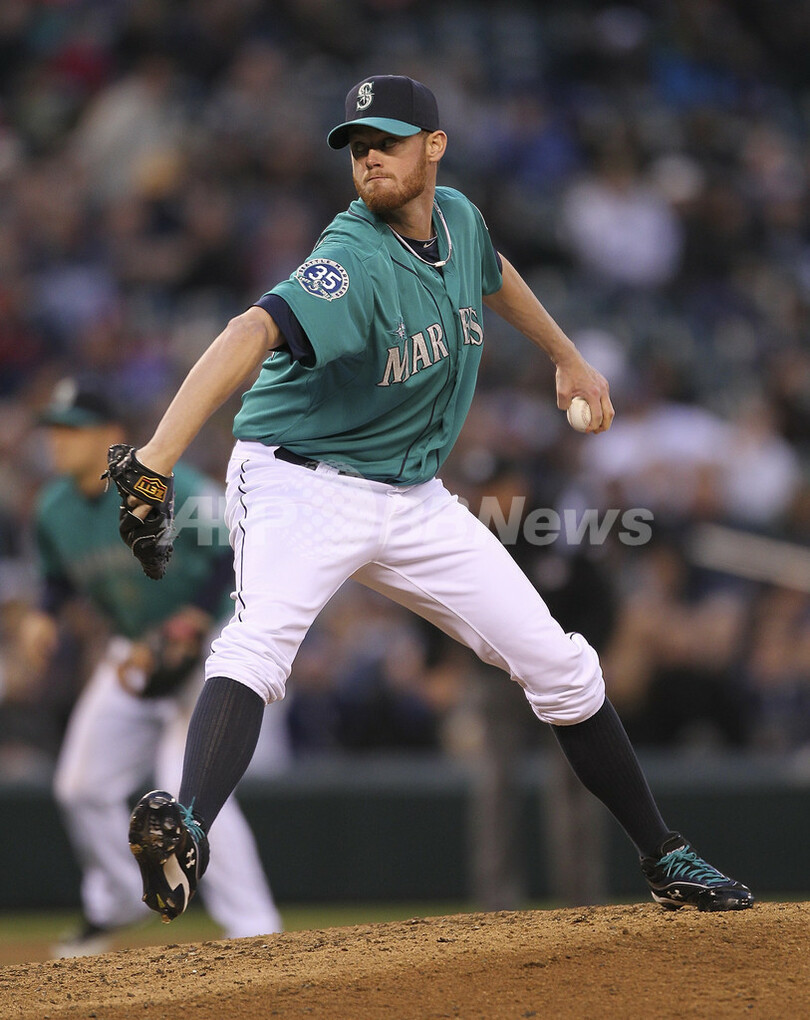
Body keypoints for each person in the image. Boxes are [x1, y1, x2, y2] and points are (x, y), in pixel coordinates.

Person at [122, 75, 753, 918]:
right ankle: (188, 828)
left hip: (414, 496)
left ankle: (665, 855)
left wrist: (566, 354)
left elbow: (493, 272)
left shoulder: (458, 218)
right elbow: (250, 329)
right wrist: (158, 458)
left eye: (387, 140)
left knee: (562, 667)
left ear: (435, 146)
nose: (370, 157)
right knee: (258, 643)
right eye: (357, 146)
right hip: (300, 483)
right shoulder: (352, 259)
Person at [25, 376, 284, 956]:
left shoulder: (170, 485)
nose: (58, 441)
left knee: (190, 786)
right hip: (134, 651)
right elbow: (57, 576)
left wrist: (193, 618)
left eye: (73, 430)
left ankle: (255, 928)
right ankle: (118, 900)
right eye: (54, 430)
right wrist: (45, 613)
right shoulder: (54, 507)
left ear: (112, 433)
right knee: (80, 786)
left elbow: (234, 548)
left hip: (211, 643)